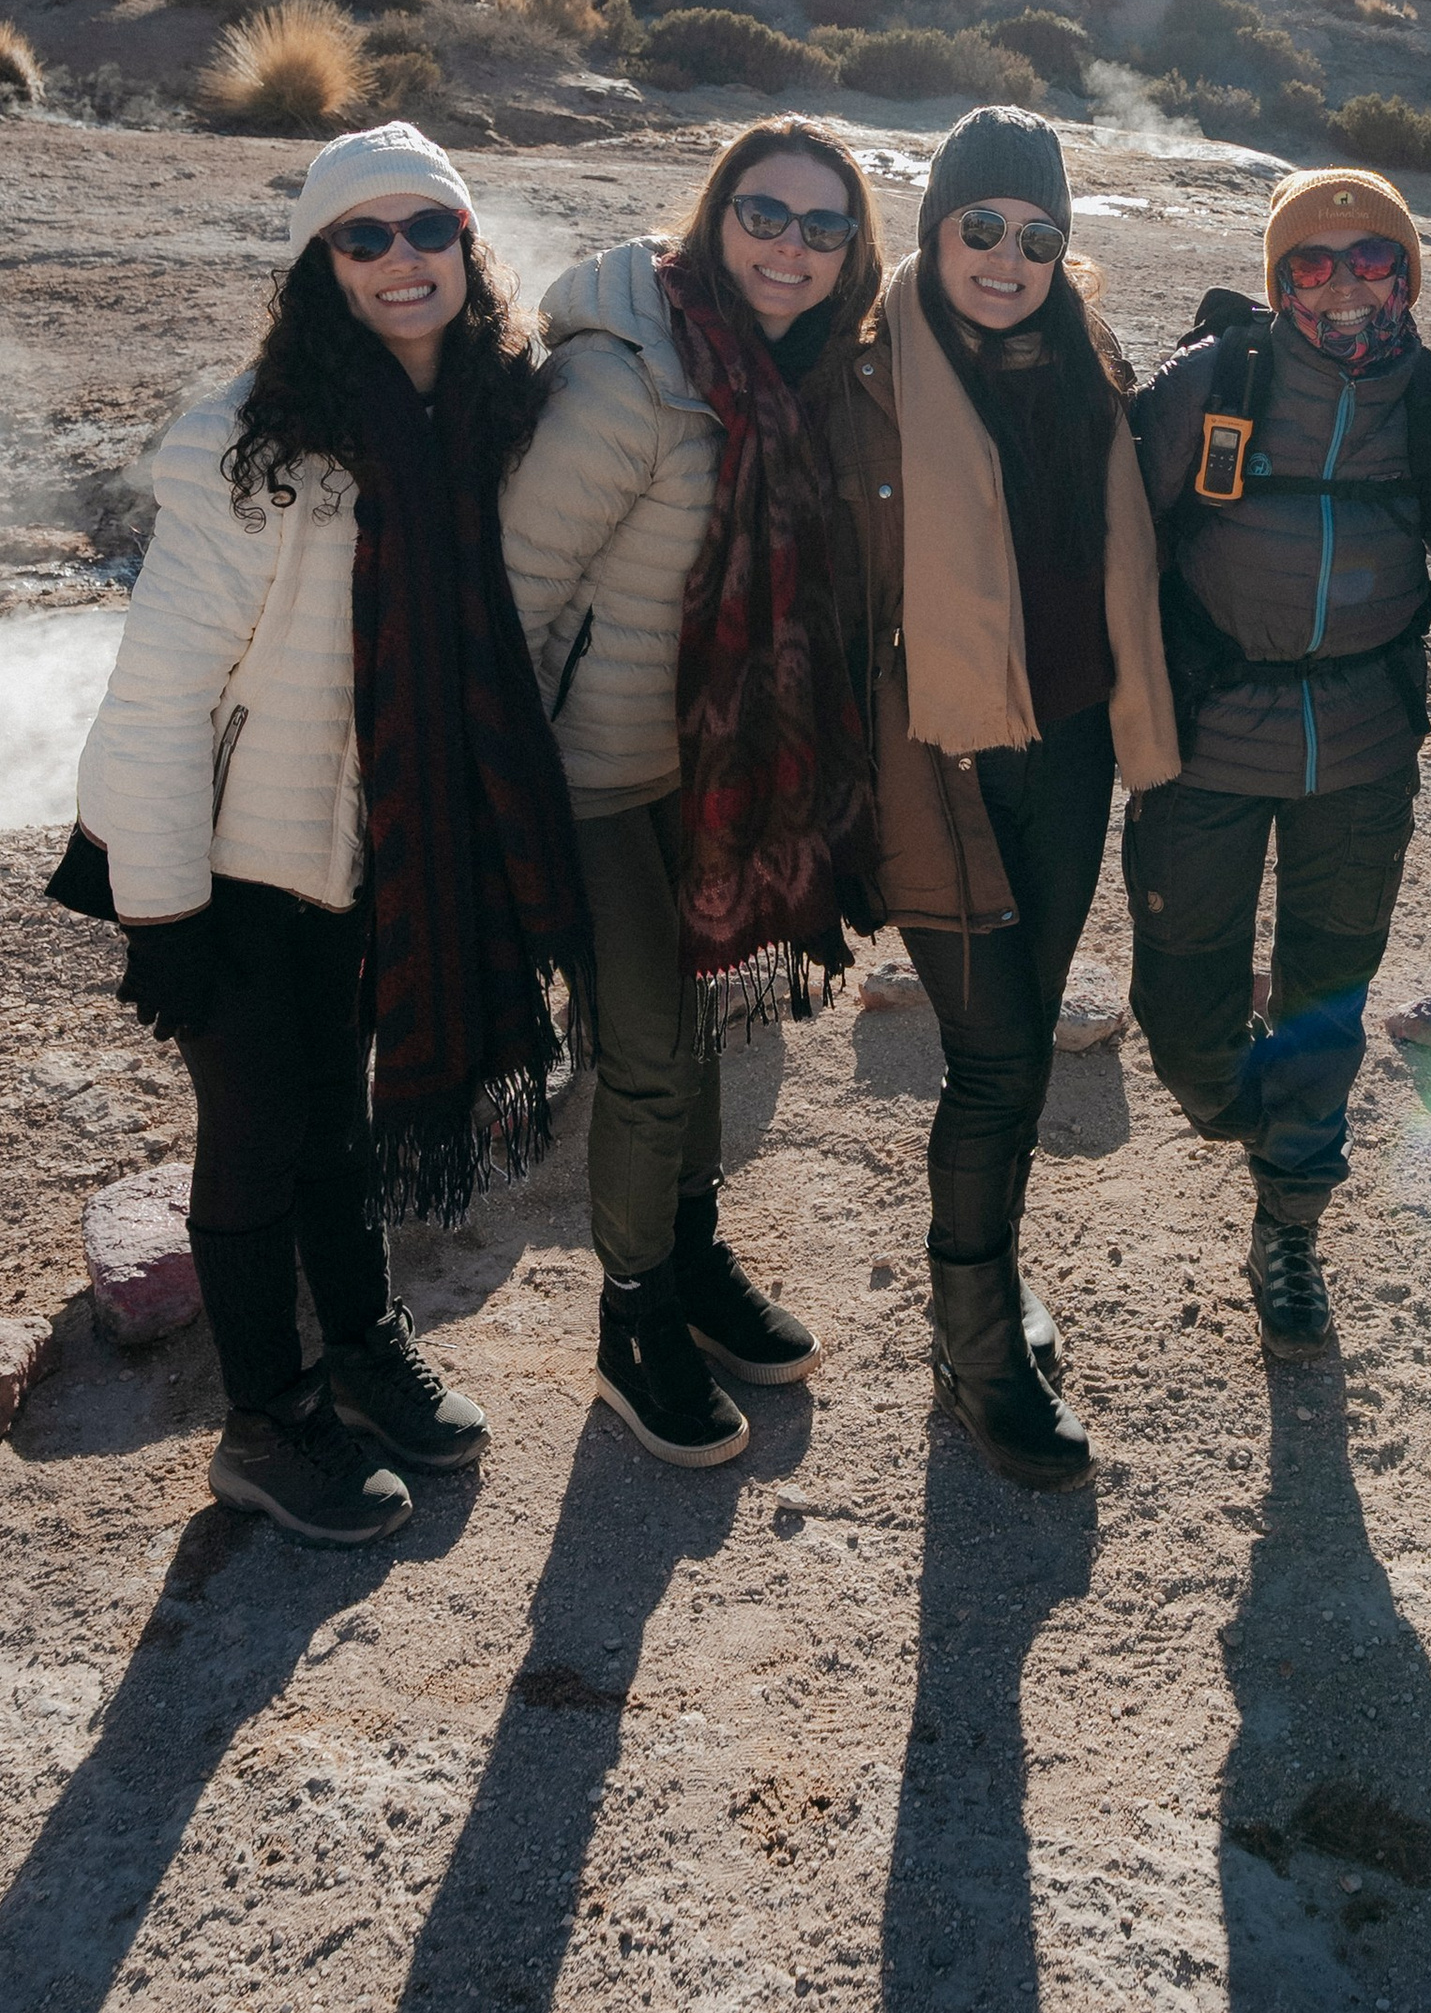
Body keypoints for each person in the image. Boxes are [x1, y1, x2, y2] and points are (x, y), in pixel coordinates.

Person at [52, 127, 589, 1547]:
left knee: (342, 1118)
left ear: (468, 247)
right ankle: (266, 1420)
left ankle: (359, 1345)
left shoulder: (477, 415)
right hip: (228, 857)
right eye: (365, 235)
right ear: (320, 265)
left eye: (430, 228)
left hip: (379, 840)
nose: (402, 258)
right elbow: (158, 697)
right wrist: (166, 916)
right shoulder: (253, 443)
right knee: (256, 1132)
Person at [503, 117, 877, 1470]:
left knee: (707, 1027)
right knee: (651, 1053)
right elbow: (511, 600)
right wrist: (505, 810)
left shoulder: (793, 377)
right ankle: (633, 1317)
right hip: (591, 773)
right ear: (717, 217)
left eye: (823, 227)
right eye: (764, 214)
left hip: (706, 772)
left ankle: (696, 1258)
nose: (791, 246)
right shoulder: (630, 383)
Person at [817, 106, 1179, 1492]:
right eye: (981, 228)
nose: (1007, 259)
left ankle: (991, 1287)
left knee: (1018, 1049)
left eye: (1037, 237)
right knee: (997, 1054)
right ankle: (975, 1348)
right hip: (933, 756)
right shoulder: (867, 372)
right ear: (934, 227)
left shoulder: (1086, 359)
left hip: (1069, 744)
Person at [1127, 167, 1431, 1356]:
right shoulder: (1212, 382)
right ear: (1280, 278)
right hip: (1206, 744)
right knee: (1185, 1026)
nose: (1344, 284)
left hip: (1365, 754)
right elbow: (1111, 533)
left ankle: (1289, 1222)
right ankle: (1246, 1111)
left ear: (1406, 276)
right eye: (1314, 263)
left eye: (1372, 258)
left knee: (1324, 1002)